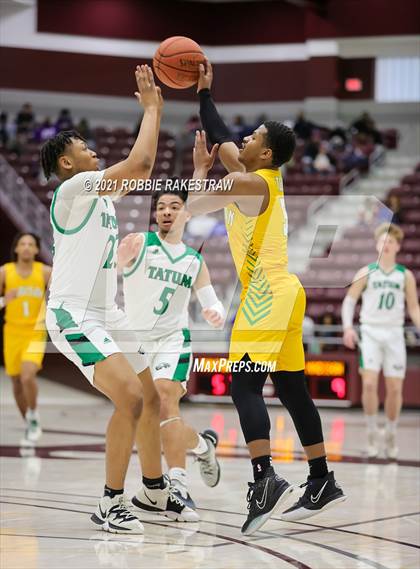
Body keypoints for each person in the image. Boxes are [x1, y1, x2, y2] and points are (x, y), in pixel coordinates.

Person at [187, 60, 346, 536]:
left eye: (253, 136)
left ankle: (265, 479)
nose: (244, 138)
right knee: (293, 387)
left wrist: (198, 169)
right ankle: (320, 480)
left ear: (267, 151)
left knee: (244, 386)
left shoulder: (250, 182)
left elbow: (192, 207)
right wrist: (204, 96)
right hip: (286, 291)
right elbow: (223, 136)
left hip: (265, 294)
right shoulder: (258, 176)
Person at [41, 65, 194, 535]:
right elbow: (142, 166)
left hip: (110, 314)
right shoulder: (74, 188)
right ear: (66, 163)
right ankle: (110, 502)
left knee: (150, 397)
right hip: (73, 314)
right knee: (128, 396)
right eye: (83, 148)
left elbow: (137, 176)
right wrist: (152, 110)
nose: (92, 150)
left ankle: (153, 490)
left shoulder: (102, 198)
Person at [117, 188, 224, 515]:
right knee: (146, 415)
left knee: (164, 401)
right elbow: (116, 267)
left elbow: (210, 300)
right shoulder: (140, 242)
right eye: (161, 206)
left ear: (186, 214)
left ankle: (177, 484)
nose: (166, 211)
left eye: (174, 206)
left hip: (172, 340)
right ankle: (204, 446)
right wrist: (121, 258)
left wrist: (214, 312)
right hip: (136, 342)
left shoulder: (194, 259)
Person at [342, 223, 420, 459]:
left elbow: (414, 308)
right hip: (371, 332)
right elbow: (349, 300)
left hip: (395, 333)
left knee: (395, 388)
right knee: (368, 384)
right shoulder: (366, 271)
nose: (386, 245)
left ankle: (391, 433)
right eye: (382, 241)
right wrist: (347, 328)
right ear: (376, 244)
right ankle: (371, 433)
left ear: (397, 246)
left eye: (390, 242)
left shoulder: (404, 275)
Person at [0, 233, 51, 444]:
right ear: (17, 249)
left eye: (31, 244)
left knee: (27, 376)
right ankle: (30, 421)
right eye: (23, 244)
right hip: (12, 330)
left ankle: (33, 412)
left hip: (35, 331)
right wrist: (4, 299)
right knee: (16, 381)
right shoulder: (5, 272)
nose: (27, 247)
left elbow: (61, 298)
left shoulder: (46, 272)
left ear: (37, 250)